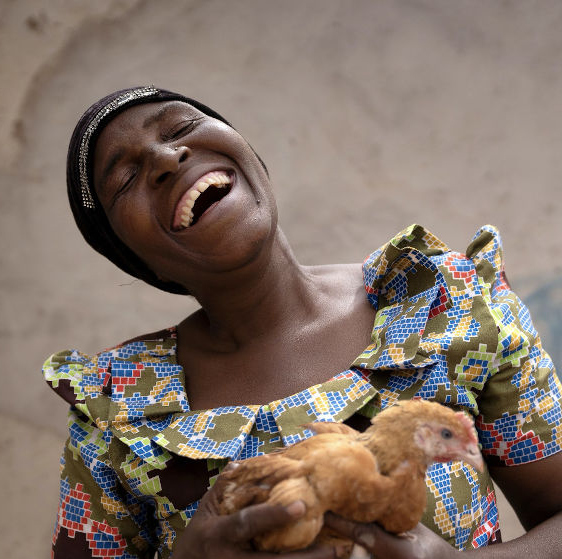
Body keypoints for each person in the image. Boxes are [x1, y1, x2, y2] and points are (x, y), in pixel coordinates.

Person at [43, 86, 562, 558]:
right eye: (126, 177)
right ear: (135, 259)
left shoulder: (443, 305)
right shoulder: (120, 414)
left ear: (248, 157)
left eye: (179, 128)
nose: (165, 156)